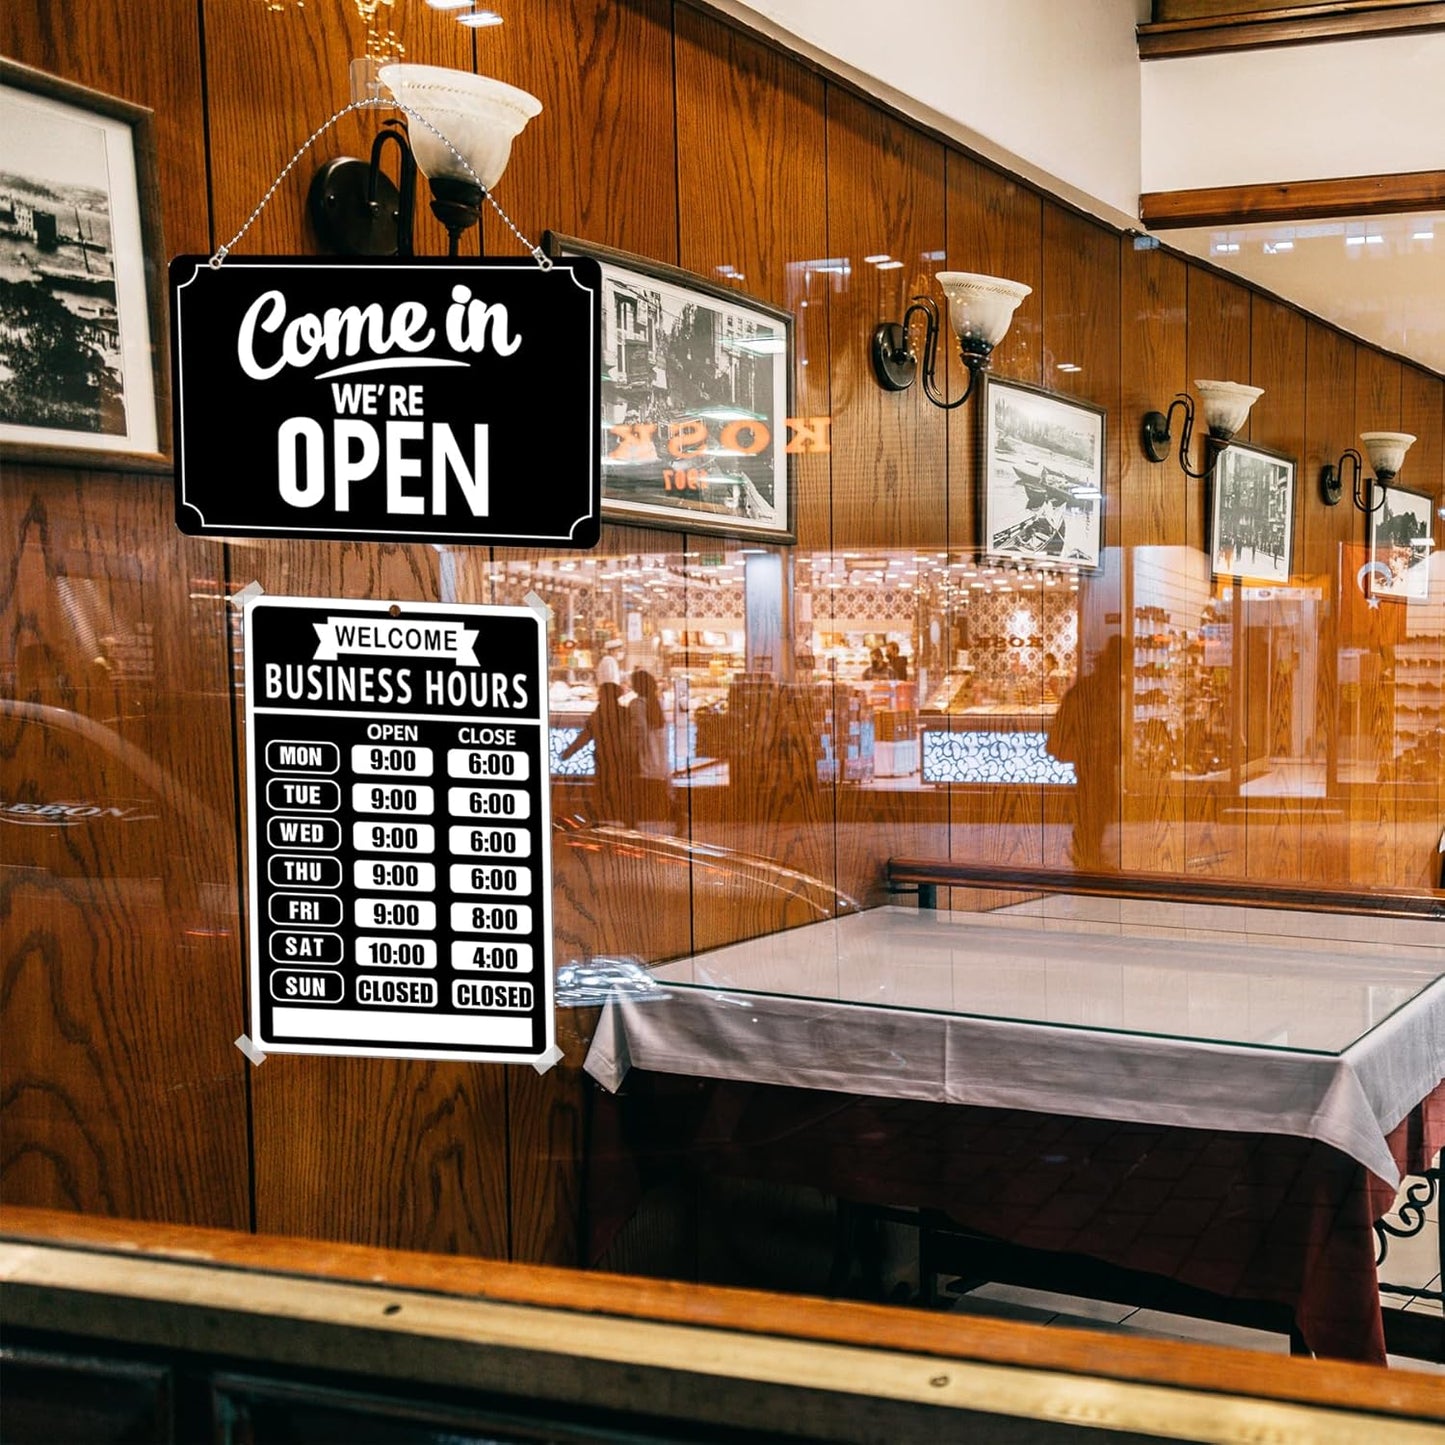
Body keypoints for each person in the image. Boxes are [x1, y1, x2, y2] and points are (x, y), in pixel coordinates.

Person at [1045, 636, 1123, 870]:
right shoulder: (1097, 690)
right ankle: (1086, 853)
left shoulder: (1096, 687)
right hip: (1092, 757)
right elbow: (1098, 724)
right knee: (1095, 804)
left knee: (1098, 804)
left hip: (1094, 757)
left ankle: (1087, 851)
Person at [560, 682, 633, 824]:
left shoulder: (598, 714)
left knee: (603, 791)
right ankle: (621, 820)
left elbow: (584, 737)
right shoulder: (624, 713)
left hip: (603, 759)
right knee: (620, 791)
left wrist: (567, 753)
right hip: (622, 759)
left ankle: (606, 820)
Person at [627, 669, 679, 831]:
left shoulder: (637, 705)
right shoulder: (655, 703)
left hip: (645, 756)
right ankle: (678, 817)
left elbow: (638, 733)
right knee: (661, 791)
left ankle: (632, 824)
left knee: (635, 791)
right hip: (659, 757)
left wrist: (631, 753)